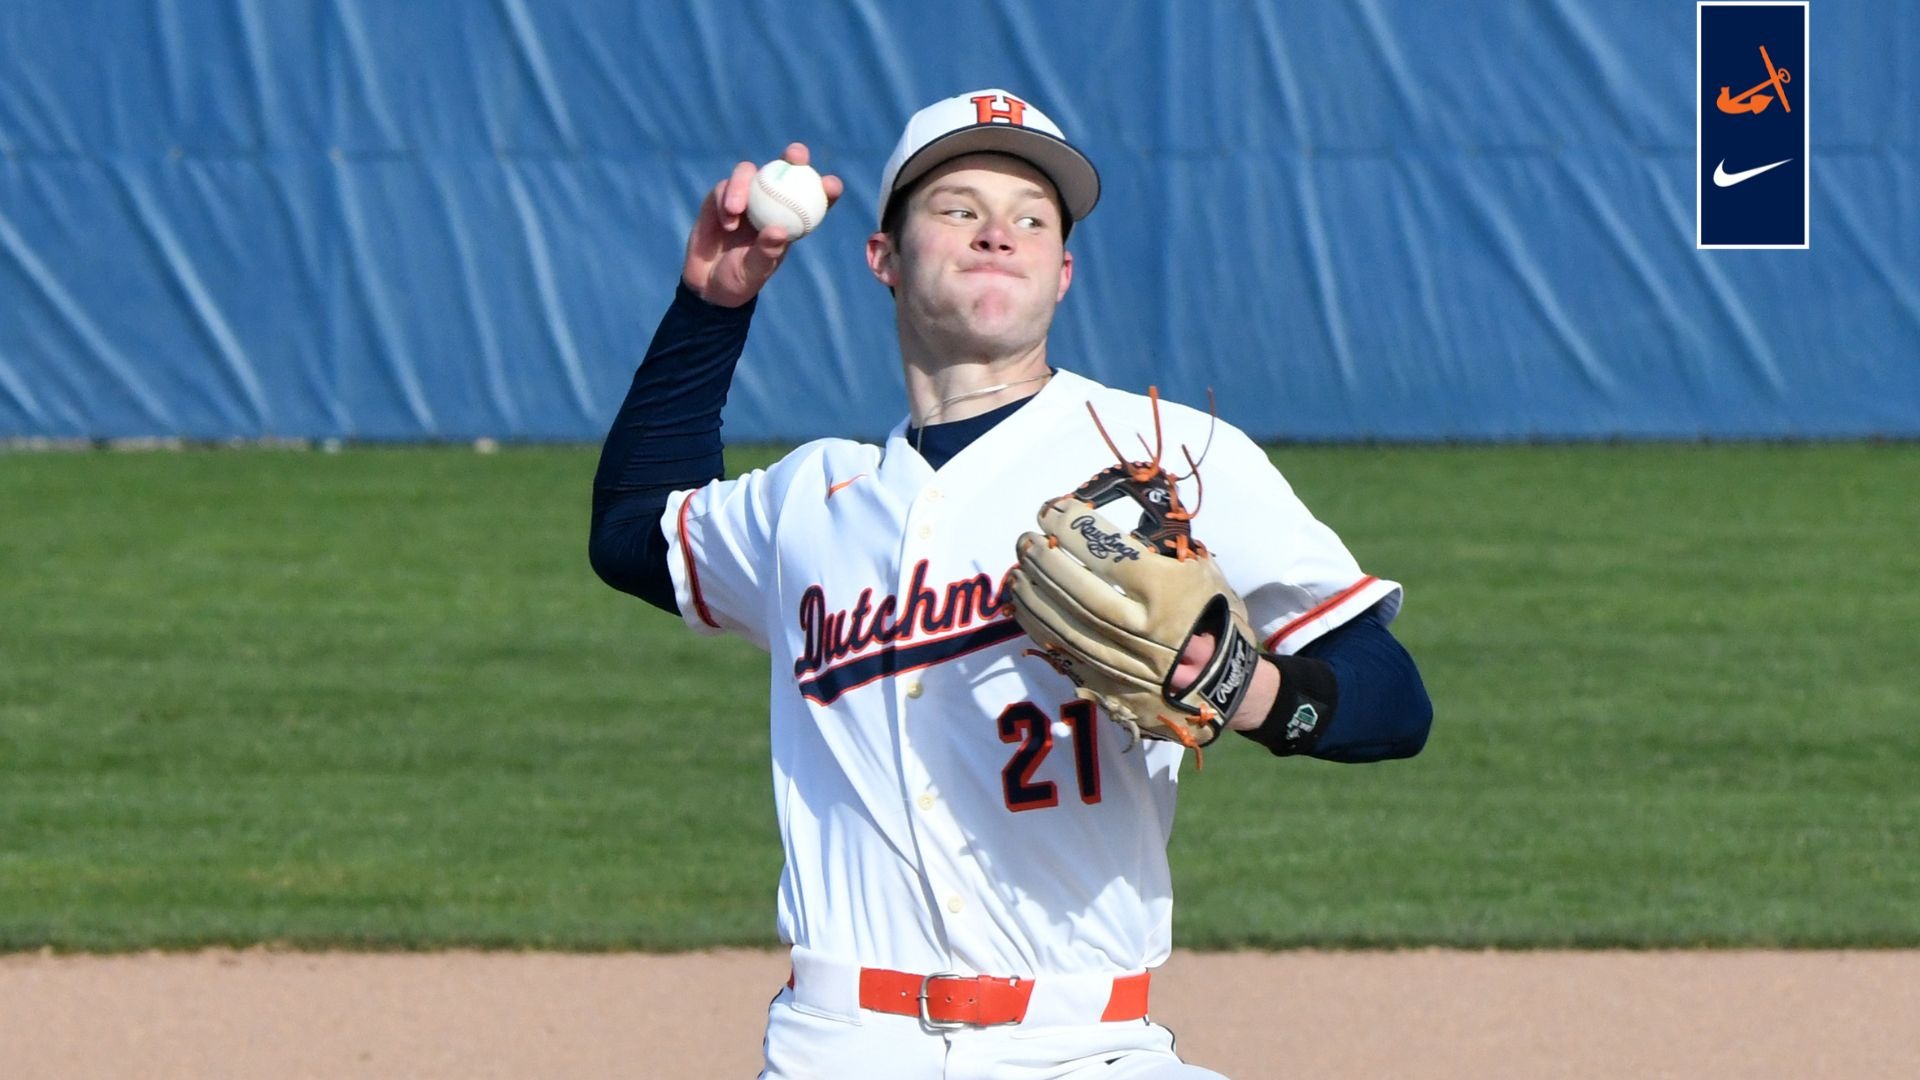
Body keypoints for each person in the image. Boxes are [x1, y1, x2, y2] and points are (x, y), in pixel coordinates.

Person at [591, 88, 1433, 1080]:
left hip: (1087, 1045)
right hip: (840, 1046)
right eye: (957, 208)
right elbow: (631, 533)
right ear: (884, 258)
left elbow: (1393, 700)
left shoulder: (1170, 455)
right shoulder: (810, 501)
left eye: (1032, 218)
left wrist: (1246, 690)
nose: (998, 233)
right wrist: (713, 305)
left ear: (1063, 273)